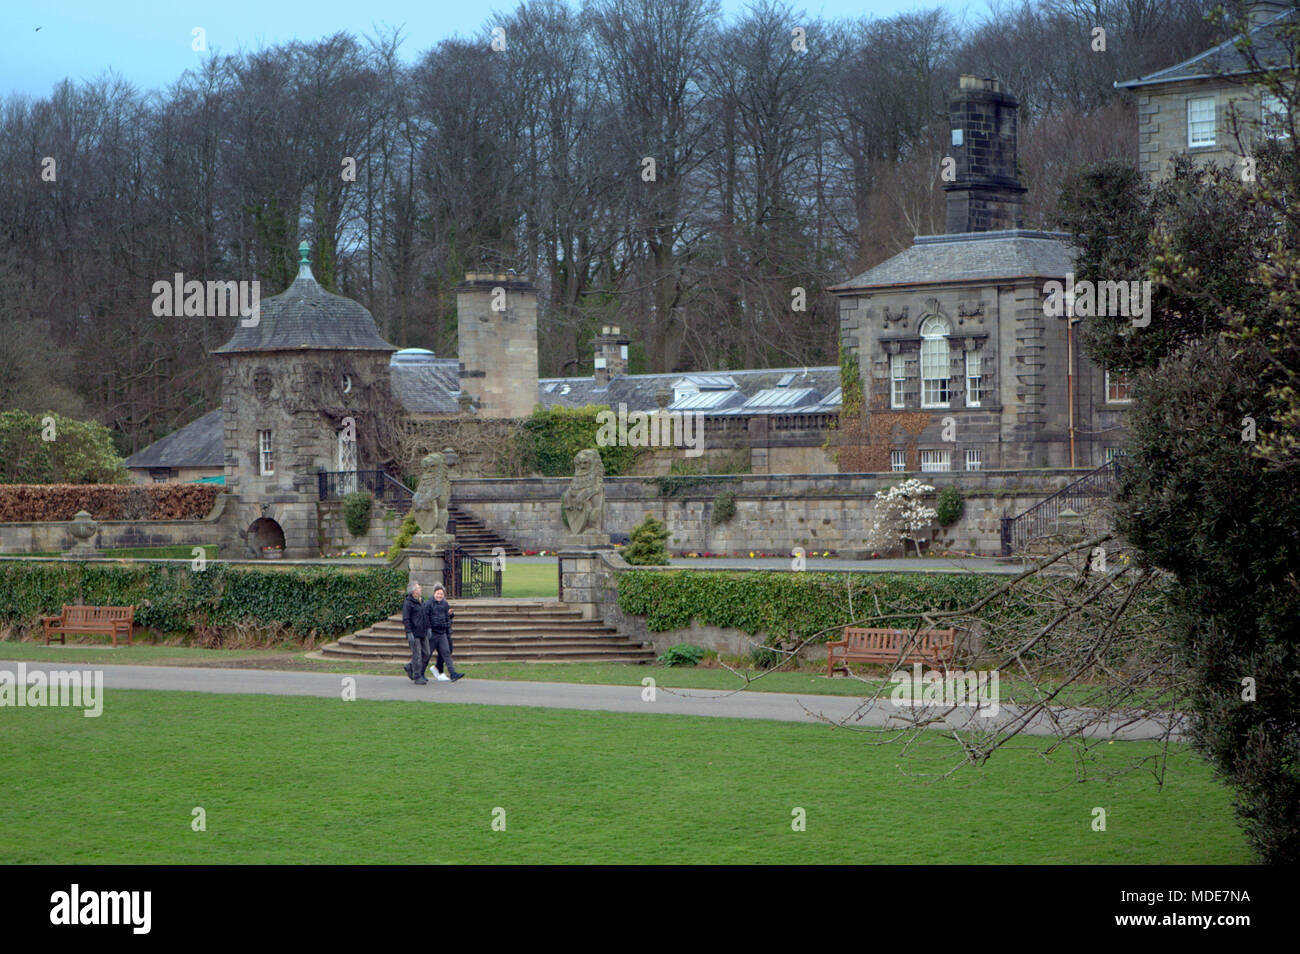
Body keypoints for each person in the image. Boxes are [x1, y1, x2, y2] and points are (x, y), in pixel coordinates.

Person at [423, 583, 464, 682]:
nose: (439, 595)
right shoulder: (428, 603)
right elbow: (426, 618)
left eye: (441, 594)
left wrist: (448, 625)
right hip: (432, 634)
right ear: (434, 593)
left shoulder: (445, 603)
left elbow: (446, 617)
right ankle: (419, 673)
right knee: (427, 655)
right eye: (438, 593)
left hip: (442, 633)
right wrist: (428, 629)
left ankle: (453, 674)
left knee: (446, 653)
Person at [401, 581, 430, 685]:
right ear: (414, 591)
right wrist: (409, 632)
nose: (420, 589)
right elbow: (406, 618)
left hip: (423, 632)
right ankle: (417, 676)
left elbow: (426, 615)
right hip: (414, 633)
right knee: (417, 655)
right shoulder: (408, 603)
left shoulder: (422, 601)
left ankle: (410, 666)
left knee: (426, 653)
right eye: (418, 588)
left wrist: (429, 628)